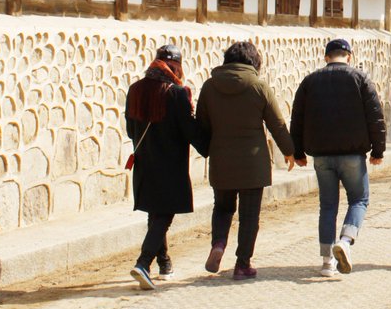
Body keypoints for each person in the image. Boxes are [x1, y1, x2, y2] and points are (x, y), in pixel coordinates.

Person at [196, 40, 295, 280]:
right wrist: (290, 151)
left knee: (222, 208)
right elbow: (277, 124)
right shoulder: (259, 86)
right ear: (254, 62)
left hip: (222, 161)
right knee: (249, 215)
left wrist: (207, 150)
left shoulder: (209, 87)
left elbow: (201, 125)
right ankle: (242, 264)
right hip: (253, 163)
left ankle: (218, 244)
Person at [290, 38, 386, 278]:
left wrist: (298, 151)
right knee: (359, 200)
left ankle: (326, 262)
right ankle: (345, 240)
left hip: (321, 156)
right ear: (349, 56)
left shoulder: (310, 81)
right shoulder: (360, 79)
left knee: (328, 206)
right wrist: (378, 150)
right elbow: (375, 116)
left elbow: (297, 119)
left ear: (326, 57)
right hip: (353, 154)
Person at [124, 44, 209, 290]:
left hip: (144, 162)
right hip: (170, 165)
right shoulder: (176, 93)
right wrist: (209, 147)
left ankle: (164, 262)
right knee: (164, 214)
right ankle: (143, 263)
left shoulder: (135, 89)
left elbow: (131, 130)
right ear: (177, 67)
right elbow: (188, 130)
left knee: (155, 212)